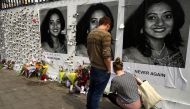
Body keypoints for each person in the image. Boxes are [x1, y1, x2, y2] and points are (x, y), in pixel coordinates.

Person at [122, 0, 185, 68]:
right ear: (141, 22)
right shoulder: (127, 57)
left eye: (167, 16)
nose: (160, 23)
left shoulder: (176, 55)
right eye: (152, 17)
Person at [86, 16, 112, 109]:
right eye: (109, 26)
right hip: (102, 69)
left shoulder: (90, 33)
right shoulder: (106, 34)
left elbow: (88, 51)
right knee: (97, 95)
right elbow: (106, 55)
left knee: (91, 91)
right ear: (107, 25)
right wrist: (109, 69)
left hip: (93, 67)